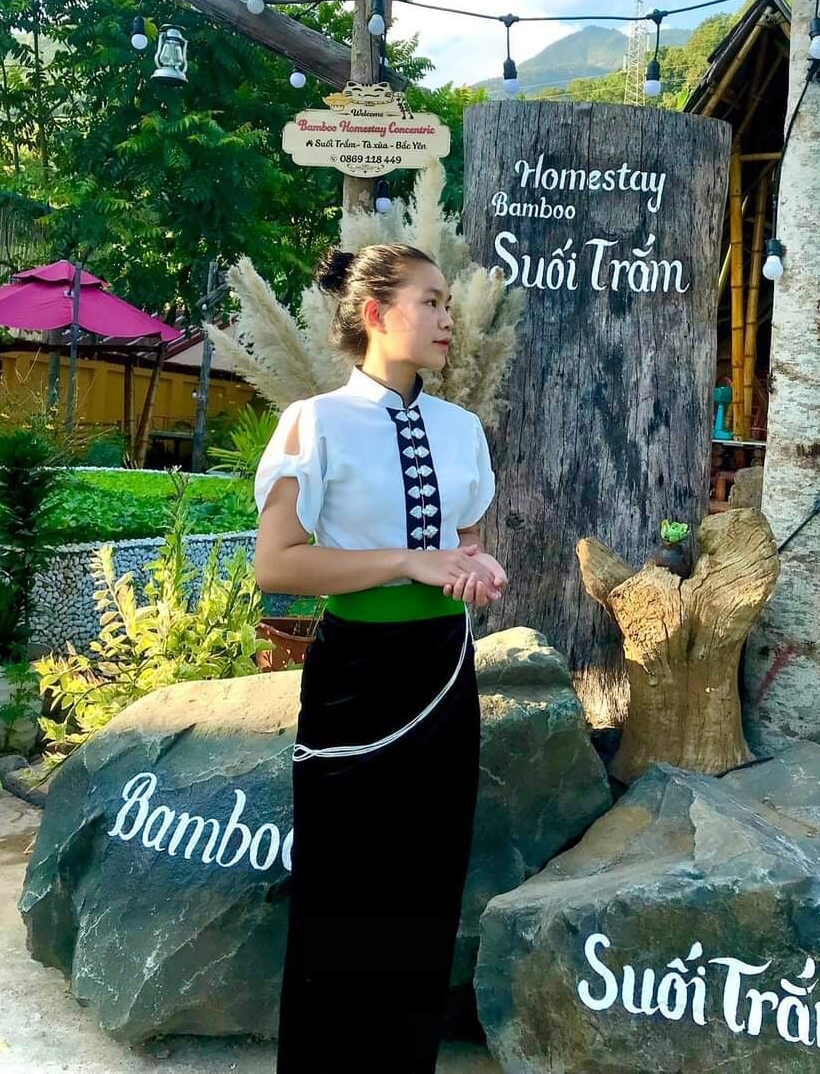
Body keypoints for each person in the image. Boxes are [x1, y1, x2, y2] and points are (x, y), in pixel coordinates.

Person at [254, 241, 508, 1073]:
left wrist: (474, 569)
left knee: (426, 894)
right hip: (355, 679)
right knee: (341, 898)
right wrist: (406, 560)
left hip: (445, 673)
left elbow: (460, 546)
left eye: (447, 302)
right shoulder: (315, 423)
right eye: (430, 301)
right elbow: (277, 564)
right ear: (374, 313)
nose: (447, 317)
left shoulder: (462, 430)